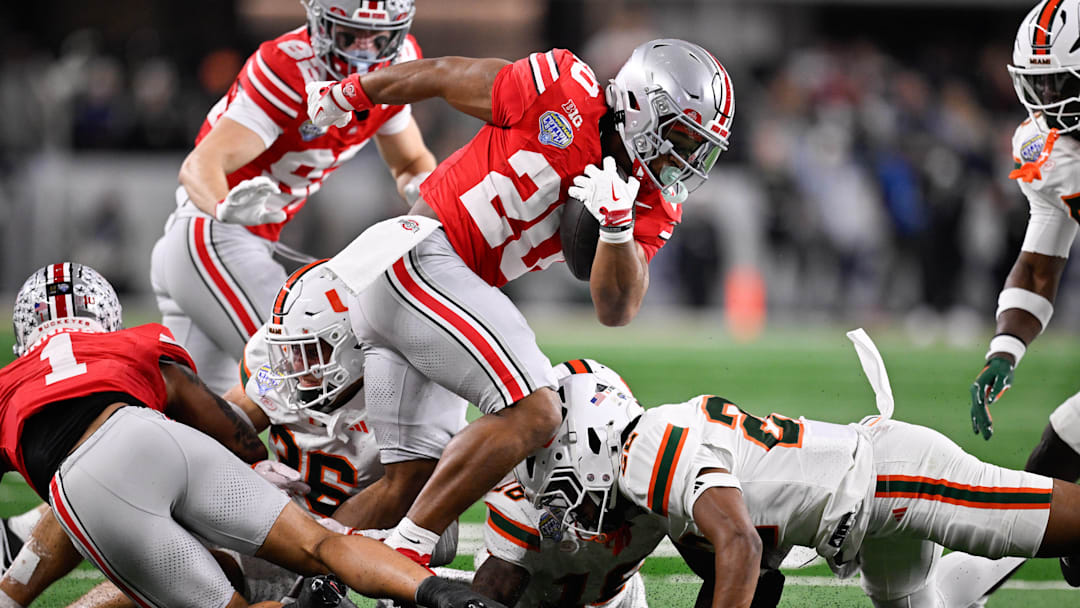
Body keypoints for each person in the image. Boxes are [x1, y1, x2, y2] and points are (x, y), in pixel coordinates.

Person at [303, 38, 735, 566]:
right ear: (645, 105)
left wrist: (618, 230)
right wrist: (352, 92)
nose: (686, 159)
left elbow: (615, 310)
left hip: (435, 294)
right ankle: (405, 554)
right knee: (536, 410)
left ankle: (292, 571)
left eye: (699, 148)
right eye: (682, 139)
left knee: (411, 489)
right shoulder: (561, 87)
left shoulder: (649, 200)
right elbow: (444, 70)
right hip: (420, 254)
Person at [0, 262, 501, 608]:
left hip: (386, 523)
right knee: (198, 531)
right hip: (292, 509)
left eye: (311, 353)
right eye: (290, 350)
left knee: (161, 538)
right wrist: (257, 471)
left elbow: (405, 488)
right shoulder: (274, 362)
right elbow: (232, 421)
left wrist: (306, 556)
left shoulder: (409, 387)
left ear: (357, 350)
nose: (294, 366)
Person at [522, 340, 1080, 608]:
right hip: (866, 523)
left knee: (1065, 520)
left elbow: (740, 544)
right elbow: (754, 573)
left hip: (893, 481)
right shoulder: (653, 485)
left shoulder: (649, 453)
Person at [150, 0, 437, 395]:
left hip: (224, 251)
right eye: (349, 35)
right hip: (214, 238)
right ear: (320, 25)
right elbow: (199, 165)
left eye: (379, 38)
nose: (363, 52)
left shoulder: (400, 62)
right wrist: (223, 206)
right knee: (310, 375)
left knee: (210, 416)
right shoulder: (289, 69)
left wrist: (422, 187)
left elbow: (411, 160)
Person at [952, 0, 1080, 598]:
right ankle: (959, 590)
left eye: (1057, 83)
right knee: (1054, 472)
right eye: (1037, 83)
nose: (1044, 100)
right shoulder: (1052, 152)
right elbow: (1037, 263)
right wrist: (1005, 350)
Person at [471, 359, 668, 608]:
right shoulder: (521, 505)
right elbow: (494, 591)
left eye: (568, 487)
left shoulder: (660, 478)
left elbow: (721, 564)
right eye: (551, 494)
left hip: (618, 600)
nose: (568, 512)